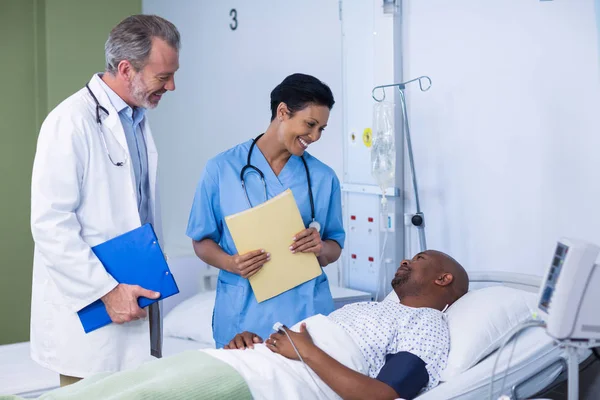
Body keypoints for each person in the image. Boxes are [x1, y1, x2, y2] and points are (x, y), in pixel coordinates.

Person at [16, 250, 468, 400]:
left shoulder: (428, 324)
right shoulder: (377, 307)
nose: (408, 259)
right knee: (113, 388)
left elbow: (385, 395)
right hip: (255, 361)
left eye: (421, 259)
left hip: (278, 379)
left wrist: (303, 350)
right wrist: (258, 343)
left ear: (443, 279)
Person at [30, 14, 180, 385]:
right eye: (163, 76)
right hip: (94, 312)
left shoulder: (137, 120)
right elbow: (50, 224)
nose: (172, 86)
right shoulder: (70, 122)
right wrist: (106, 291)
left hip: (137, 302)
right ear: (127, 69)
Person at [186, 73, 345, 347]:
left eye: (321, 128)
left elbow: (335, 246)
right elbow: (201, 241)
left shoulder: (323, 177)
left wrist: (320, 247)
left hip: (305, 313)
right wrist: (230, 263)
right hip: (243, 316)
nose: (315, 136)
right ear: (282, 112)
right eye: (310, 124)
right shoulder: (221, 169)